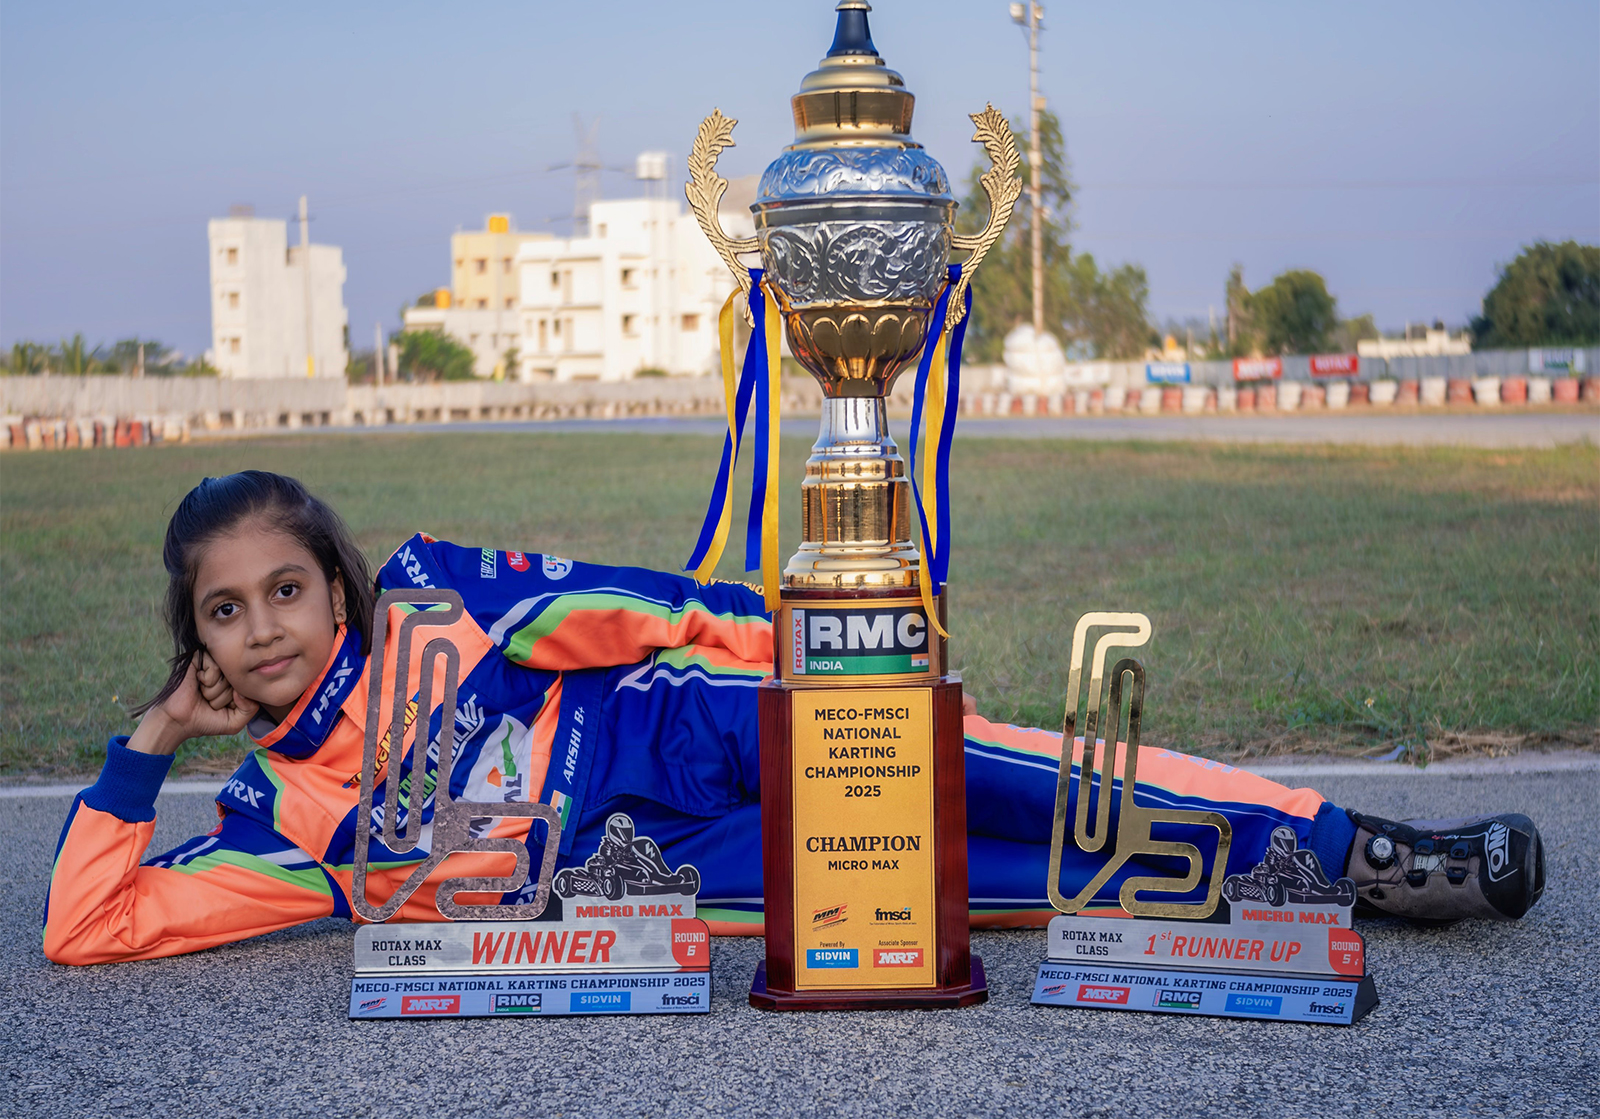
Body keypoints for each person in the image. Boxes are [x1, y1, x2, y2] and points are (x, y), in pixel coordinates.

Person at [42, 472, 1545, 965]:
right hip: (675, 874)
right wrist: (151, 743)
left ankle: (1369, 846)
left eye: (286, 590)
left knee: (993, 768)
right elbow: (91, 928)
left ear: (339, 584)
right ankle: (1280, 898)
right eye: (224, 614)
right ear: (202, 649)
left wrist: (795, 643)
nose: (265, 630)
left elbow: (633, 609)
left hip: (701, 731)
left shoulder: (441, 597)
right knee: (983, 892)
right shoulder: (288, 825)